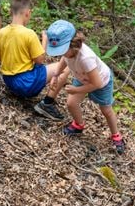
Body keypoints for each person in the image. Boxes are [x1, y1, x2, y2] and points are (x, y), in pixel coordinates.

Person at [46, 20, 126, 154]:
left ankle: (116, 136)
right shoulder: (68, 53)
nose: (61, 53)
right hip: (82, 78)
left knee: (106, 110)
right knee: (71, 103)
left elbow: (97, 84)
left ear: (72, 44)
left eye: (62, 50)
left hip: (101, 82)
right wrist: (55, 75)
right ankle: (78, 125)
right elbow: (64, 61)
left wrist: (76, 90)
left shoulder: (85, 58)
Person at [0, 0, 64, 120]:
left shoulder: (1, 32)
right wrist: (45, 40)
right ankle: (47, 104)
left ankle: (25, 93)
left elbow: (0, 58)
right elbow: (39, 60)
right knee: (64, 67)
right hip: (25, 84)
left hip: (9, 81)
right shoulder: (29, 34)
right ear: (27, 12)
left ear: (11, 11)